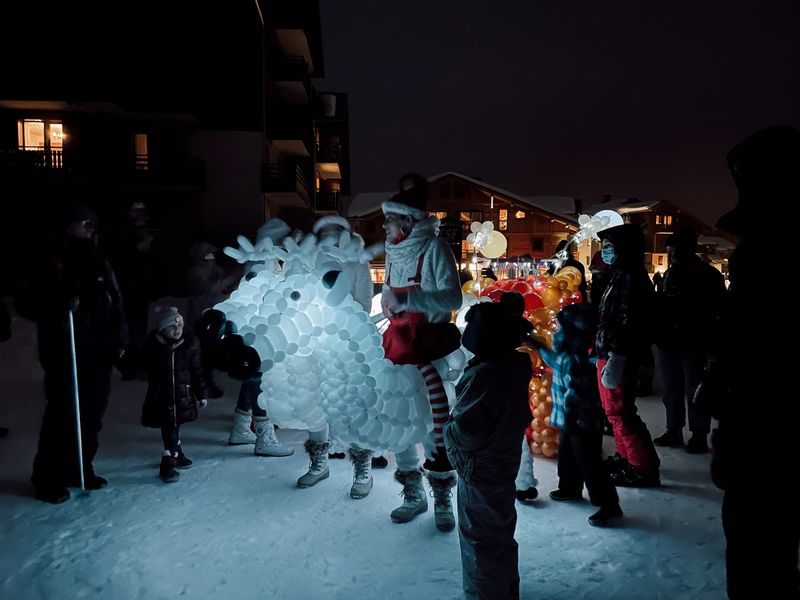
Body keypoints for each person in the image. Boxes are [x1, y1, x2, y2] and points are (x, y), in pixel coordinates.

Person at [695, 126, 799, 599]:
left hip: (765, 426)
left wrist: (721, 386)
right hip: (761, 421)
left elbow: (748, 339)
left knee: (759, 547)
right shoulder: (761, 251)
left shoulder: (764, 256)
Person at [17, 206, 127, 503]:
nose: (90, 228)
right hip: (66, 349)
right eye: (84, 223)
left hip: (98, 350)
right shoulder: (50, 259)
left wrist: (120, 339)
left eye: (93, 223)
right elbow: (25, 302)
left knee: (92, 414)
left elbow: (114, 301)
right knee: (63, 414)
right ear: (68, 226)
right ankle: (47, 477)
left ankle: (79, 467)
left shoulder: (99, 261)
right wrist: (56, 302)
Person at [381, 173, 462, 531]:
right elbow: (389, 291)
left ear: (407, 221)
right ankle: (413, 493)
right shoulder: (394, 250)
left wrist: (411, 298)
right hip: (399, 346)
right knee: (398, 419)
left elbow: (453, 298)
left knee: (434, 424)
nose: (385, 225)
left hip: (430, 347)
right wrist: (388, 303)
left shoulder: (434, 249)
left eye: (390, 220)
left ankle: (442, 494)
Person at [443, 301, 533, 599]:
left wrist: (447, 428)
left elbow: (467, 431)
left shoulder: (486, 376)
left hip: (480, 470)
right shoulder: (513, 367)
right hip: (502, 465)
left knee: (480, 542)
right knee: (500, 535)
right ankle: (507, 590)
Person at [293, 214, 385, 498]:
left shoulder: (356, 260)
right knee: (315, 406)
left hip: (348, 342)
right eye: (326, 231)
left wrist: (346, 324)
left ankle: (362, 469)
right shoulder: (308, 259)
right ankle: (319, 463)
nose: (331, 235)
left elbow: (363, 301)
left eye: (336, 230)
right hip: (314, 341)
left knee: (355, 407)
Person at [536, 303, 622, 526]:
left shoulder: (575, 361)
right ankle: (570, 487)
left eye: (560, 328)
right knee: (568, 456)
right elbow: (553, 360)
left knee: (590, 462)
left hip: (581, 422)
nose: (556, 332)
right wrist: (536, 345)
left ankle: (608, 505)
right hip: (571, 421)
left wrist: (574, 416)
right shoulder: (568, 357)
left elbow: (578, 392)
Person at [595, 223, 661, 487]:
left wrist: (617, 356)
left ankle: (640, 467)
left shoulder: (632, 278)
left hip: (618, 356)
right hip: (609, 352)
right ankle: (627, 457)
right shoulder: (618, 274)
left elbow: (629, 320)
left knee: (620, 412)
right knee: (615, 413)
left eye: (609, 247)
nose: (605, 252)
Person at [653, 226, 725, 453]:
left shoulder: (707, 275)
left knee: (694, 388)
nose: (672, 255)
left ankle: (698, 434)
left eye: (675, 250)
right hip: (670, 340)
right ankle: (674, 429)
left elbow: (718, 310)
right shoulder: (670, 274)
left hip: (694, 340)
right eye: (670, 250)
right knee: (672, 389)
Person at [227, 218, 294, 458]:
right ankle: (265, 437)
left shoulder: (266, 260)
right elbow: (261, 296)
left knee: (253, 379)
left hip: (260, 330)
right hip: (261, 332)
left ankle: (241, 427)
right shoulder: (262, 263)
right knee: (260, 382)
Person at [141, 306, 208, 483]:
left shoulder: (187, 347)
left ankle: (176, 453)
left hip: (181, 396)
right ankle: (168, 462)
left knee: (173, 426)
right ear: (162, 329)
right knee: (169, 426)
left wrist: (201, 394)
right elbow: (142, 366)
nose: (177, 330)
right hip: (161, 397)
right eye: (172, 327)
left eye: (179, 326)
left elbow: (196, 372)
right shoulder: (154, 348)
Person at [498, 291, 539, 502]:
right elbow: (536, 353)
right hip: (517, 389)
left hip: (494, 388)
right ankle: (524, 483)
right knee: (517, 437)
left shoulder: (492, 325)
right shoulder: (525, 328)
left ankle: (505, 481)